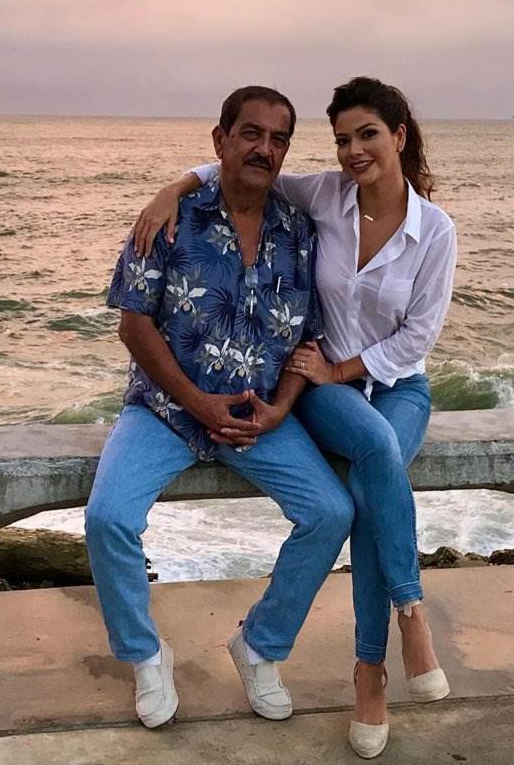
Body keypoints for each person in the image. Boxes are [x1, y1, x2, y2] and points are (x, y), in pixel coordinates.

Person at [133, 77, 457, 758]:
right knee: (374, 454)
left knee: (371, 486)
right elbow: (243, 166)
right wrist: (171, 190)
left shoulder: (435, 231)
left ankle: (373, 670)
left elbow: (417, 339)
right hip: (327, 389)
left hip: (396, 385)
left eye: (367, 135)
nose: (354, 151)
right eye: (342, 140)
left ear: (399, 136)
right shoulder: (326, 196)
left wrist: (341, 368)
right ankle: (407, 614)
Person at [86, 85, 354, 731]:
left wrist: (281, 409)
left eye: (279, 139)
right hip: (166, 410)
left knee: (331, 512)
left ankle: (260, 646)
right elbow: (133, 325)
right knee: (108, 518)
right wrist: (198, 403)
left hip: (258, 418)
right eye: (251, 133)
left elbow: (309, 339)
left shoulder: (299, 232)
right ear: (221, 140)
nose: (265, 148)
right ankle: (146, 655)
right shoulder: (169, 219)